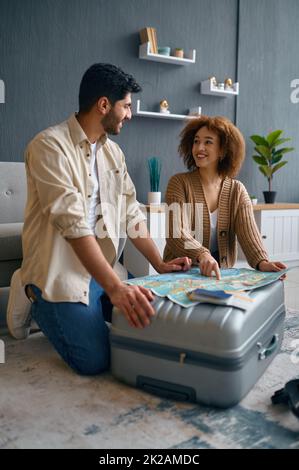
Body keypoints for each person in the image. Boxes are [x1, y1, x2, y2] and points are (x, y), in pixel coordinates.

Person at [8, 63, 191, 375]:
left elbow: (132, 212)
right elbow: (73, 223)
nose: (130, 114)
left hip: (102, 272)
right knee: (95, 362)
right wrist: (117, 289)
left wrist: (159, 264)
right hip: (58, 275)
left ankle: (98, 298)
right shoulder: (48, 146)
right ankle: (27, 286)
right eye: (127, 106)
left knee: (152, 321)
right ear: (104, 105)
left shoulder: (113, 154)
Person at [163, 115, 286, 279]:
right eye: (196, 141)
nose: (199, 147)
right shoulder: (178, 183)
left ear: (222, 150)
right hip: (179, 272)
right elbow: (175, 233)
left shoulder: (237, 190)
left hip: (219, 275)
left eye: (208, 142)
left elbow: (249, 236)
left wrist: (262, 262)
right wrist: (202, 255)